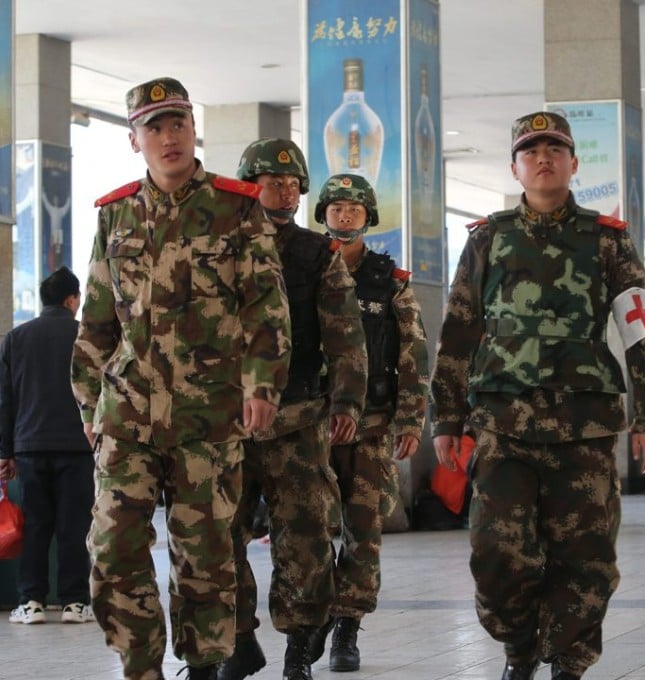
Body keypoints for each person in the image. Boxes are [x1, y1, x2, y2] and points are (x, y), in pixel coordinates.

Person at [430, 111, 645, 680]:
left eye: (554, 149)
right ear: (514, 167)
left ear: (573, 163)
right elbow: (458, 331)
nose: (543, 158)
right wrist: (446, 418)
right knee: (497, 553)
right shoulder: (487, 238)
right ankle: (519, 649)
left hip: (584, 425)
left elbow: (640, 332)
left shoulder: (608, 240)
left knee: (586, 557)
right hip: (502, 423)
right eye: (531, 151)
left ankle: (569, 662)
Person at [71, 78, 292, 680]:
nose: (169, 137)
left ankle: (204, 665)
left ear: (194, 130)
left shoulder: (236, 207)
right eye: (155, 127)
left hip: (209, 413)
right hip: (128, 413)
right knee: (112, 547)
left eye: (178, 124)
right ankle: (140, 664)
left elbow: (266, 307)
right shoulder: (115, 213)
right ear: (134, 140)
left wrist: (262, 386)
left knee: (205, 555)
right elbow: (96, 321)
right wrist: (91, 407)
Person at [219, 140, 367, 680]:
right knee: (217, 535)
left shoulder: (316, 253)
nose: (284, 192)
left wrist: (347, 401)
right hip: (228, 422)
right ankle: (237, 640)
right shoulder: (218, 246)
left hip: (298, 419)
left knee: (304, 539)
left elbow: (346, 334)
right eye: (272, 182)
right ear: (247, 184)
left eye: (292, 184)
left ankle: (299, 649)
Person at [306, 173, 430, 672]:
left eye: (354, 208)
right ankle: (314, 617)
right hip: (311, 422)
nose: (345, 215)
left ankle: (347, 626)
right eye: (336, 208)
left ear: (368, 216)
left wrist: (410, 420)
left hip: (372, 425)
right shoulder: (303, 270)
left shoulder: (390, 281)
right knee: (308, 529)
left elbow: (413, 353)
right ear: (323, 214)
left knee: (363, 530)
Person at [0, 266, 95, 625]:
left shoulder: (15, 338)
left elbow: (5, 400)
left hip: (30, 447)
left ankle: (31, 602)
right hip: (78, 447)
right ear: (72, 300)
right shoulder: (86, 337)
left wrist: (5, 451)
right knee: (74, 526)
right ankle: (75, 603)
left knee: (35, 526)